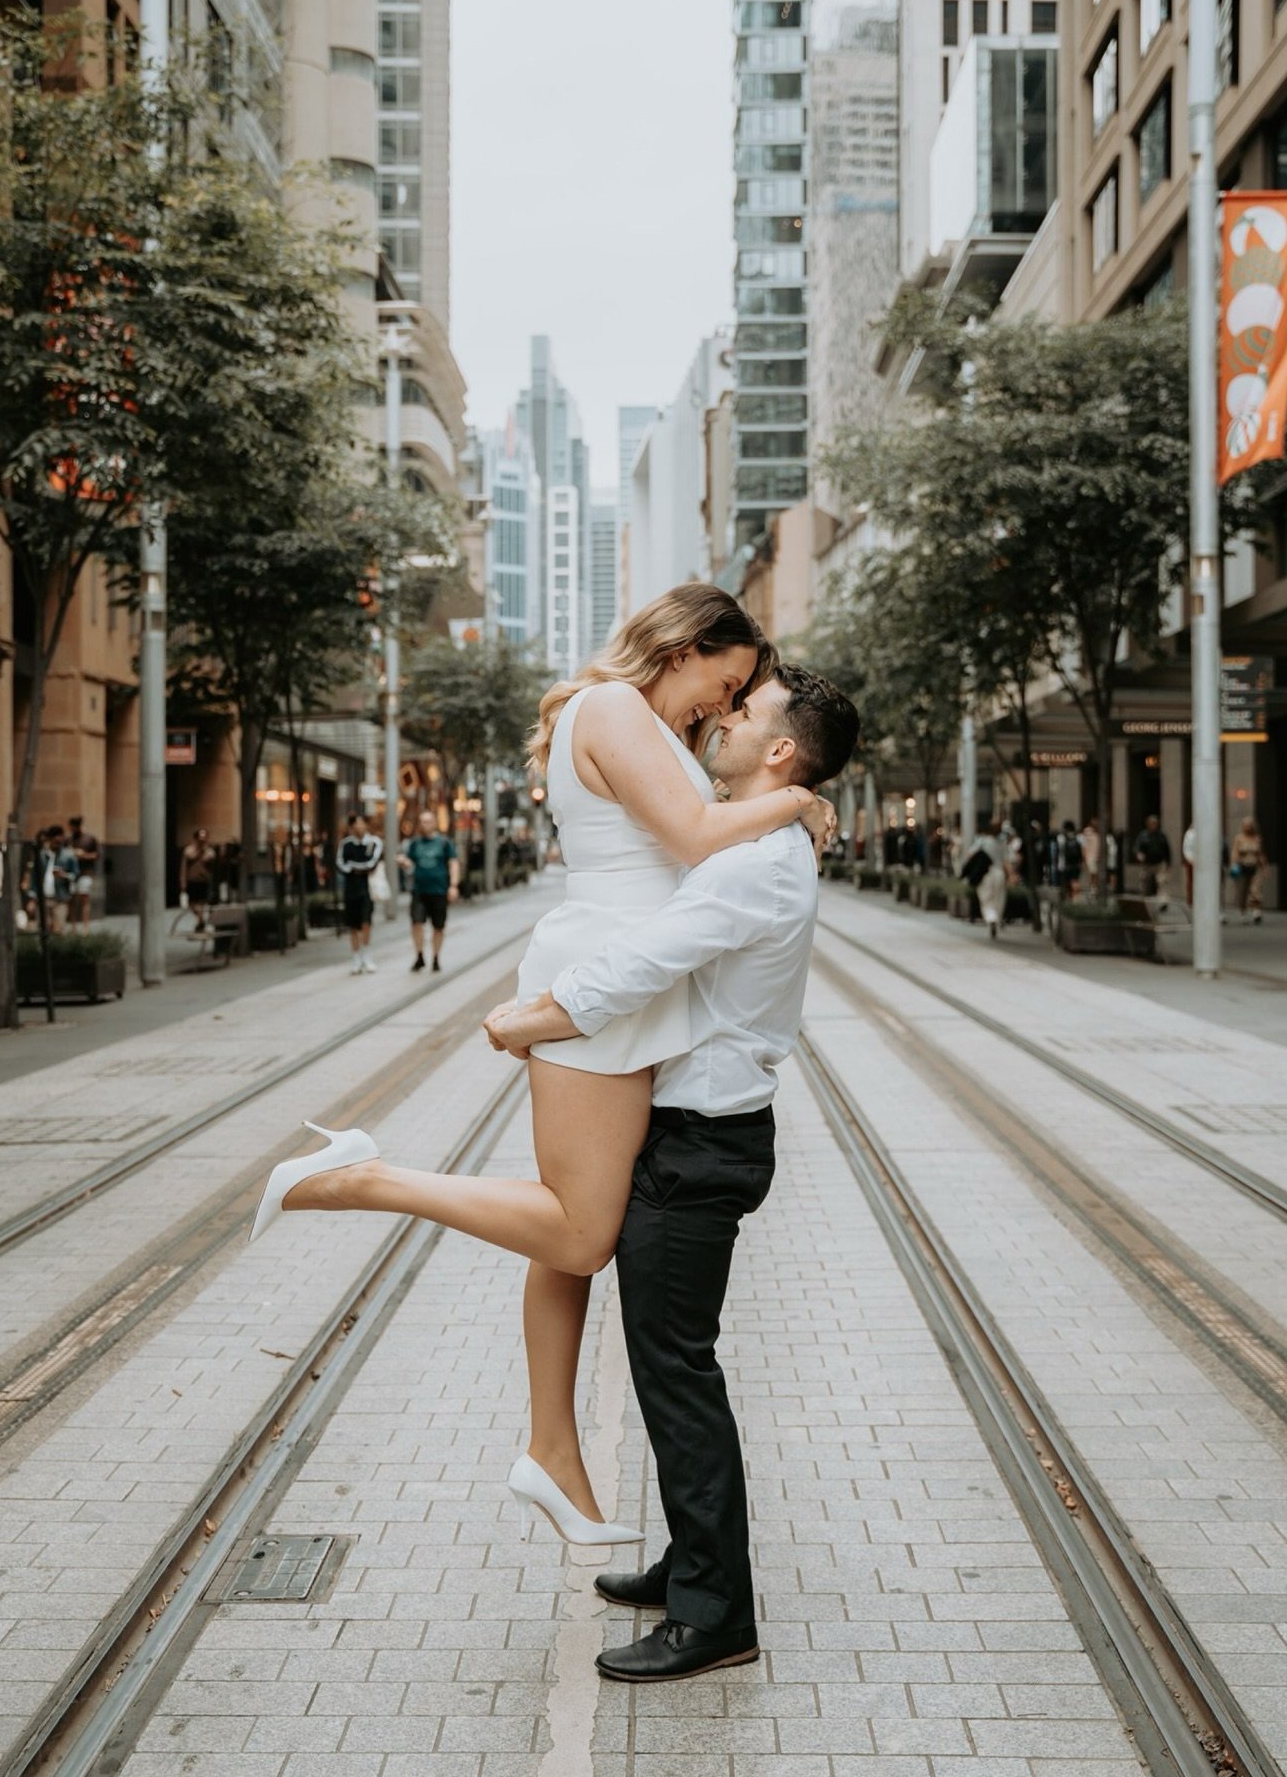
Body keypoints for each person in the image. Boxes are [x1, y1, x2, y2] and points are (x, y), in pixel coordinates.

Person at [253, 664, 859, 1683]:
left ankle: (716, 1616)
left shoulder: (757, 862)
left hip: (702, 1141)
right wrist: (802, 802)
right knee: (672, 1367)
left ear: (783, 751)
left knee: (679, 1377)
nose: (726, 716)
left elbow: (649, 958)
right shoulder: (761, 834)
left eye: (746, 712)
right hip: (702, 1133)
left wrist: (529, 1015)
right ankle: (687, 1563)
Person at [400, 810, 460, 973]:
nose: (424, 824)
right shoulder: (415, 843)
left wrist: (453, 885)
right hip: (419, 890)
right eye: (422, 821)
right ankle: (419, 955)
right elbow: (409, 862)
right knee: (416, 922)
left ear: (435, 823)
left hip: (439, 891)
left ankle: (435, 957)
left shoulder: (444, 843)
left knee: (438, 926)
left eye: (427, 821)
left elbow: (453, 863)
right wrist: (404, 862)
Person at [337, 814, 383, 974]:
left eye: (362, 824)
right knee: (353, 925)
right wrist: (356, 868)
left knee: (366, 922)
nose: (359, 827)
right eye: (356, 824)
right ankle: (356, 957)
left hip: (367, 889)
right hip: (350, 889)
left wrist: (355, 867)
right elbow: (341, 864)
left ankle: (366, 955)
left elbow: (372, 863)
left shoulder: (373, 842)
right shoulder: (346, 844)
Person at [962, 822, 1008, 939]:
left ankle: (991, 917)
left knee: (986, 899)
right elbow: (1007, 861)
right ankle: (997, 919)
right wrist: (1012, 875)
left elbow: (969, 855)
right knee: (999, 898)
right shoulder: (1002, 843)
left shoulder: (982, 841)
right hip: (999, 873)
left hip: (985, 874)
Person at [39, 824, 80, 933]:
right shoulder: (43, 855)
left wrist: (65, 875)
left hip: (61, 897)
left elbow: (76, 874)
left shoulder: (68, 855)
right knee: (44, 929)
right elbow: (36, 875)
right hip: (44, 896)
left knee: (59, 929)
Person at [1229, 816, 1266, 922]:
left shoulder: (1257, 838)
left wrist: (1264, 866)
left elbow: (1260, 853)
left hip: (1255, 866)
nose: (1247, 828)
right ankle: (1243, 912)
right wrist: (1233, 864)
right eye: (1245, 826)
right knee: (1243, 891)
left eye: (1249, 826)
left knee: (1256, 890)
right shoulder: (1239, 838)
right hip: (1242, 866)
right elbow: (1235, 853)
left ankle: (1256, 911)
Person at [68, 815, 99, 931]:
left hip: (85, 872)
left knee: (84, 899)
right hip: (72, 873)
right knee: (71, 901)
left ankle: (86, 927)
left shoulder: (89, 839)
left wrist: (83, 855)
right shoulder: (70, 839)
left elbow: (96, 855)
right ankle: (73, 927)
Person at [180, 828, 215, 932]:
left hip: (204, 881)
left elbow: (213, 867)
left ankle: (200, 922)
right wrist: (183, 881)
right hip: (192, 880)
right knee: (192, 903)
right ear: (196, 839)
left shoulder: (209, 853)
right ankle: (201, 920)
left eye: (204, 838)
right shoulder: (188, 851)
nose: (202, 841)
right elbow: (183, 868)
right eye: (200, 838)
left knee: (202, 902)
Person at [1132, 813, 1171, 900]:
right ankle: (1143, 899)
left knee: (1162, 882)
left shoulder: (1161, 836)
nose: (1154, 826)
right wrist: (1138, 854)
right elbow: (1136, 847)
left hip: (1159, 863)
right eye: (1152, 824)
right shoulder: (1143, 835)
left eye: (1155, 824)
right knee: (1144, 881)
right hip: (1147, 863)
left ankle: (1163, 900)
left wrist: (1168, 862)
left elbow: (1167, 849)